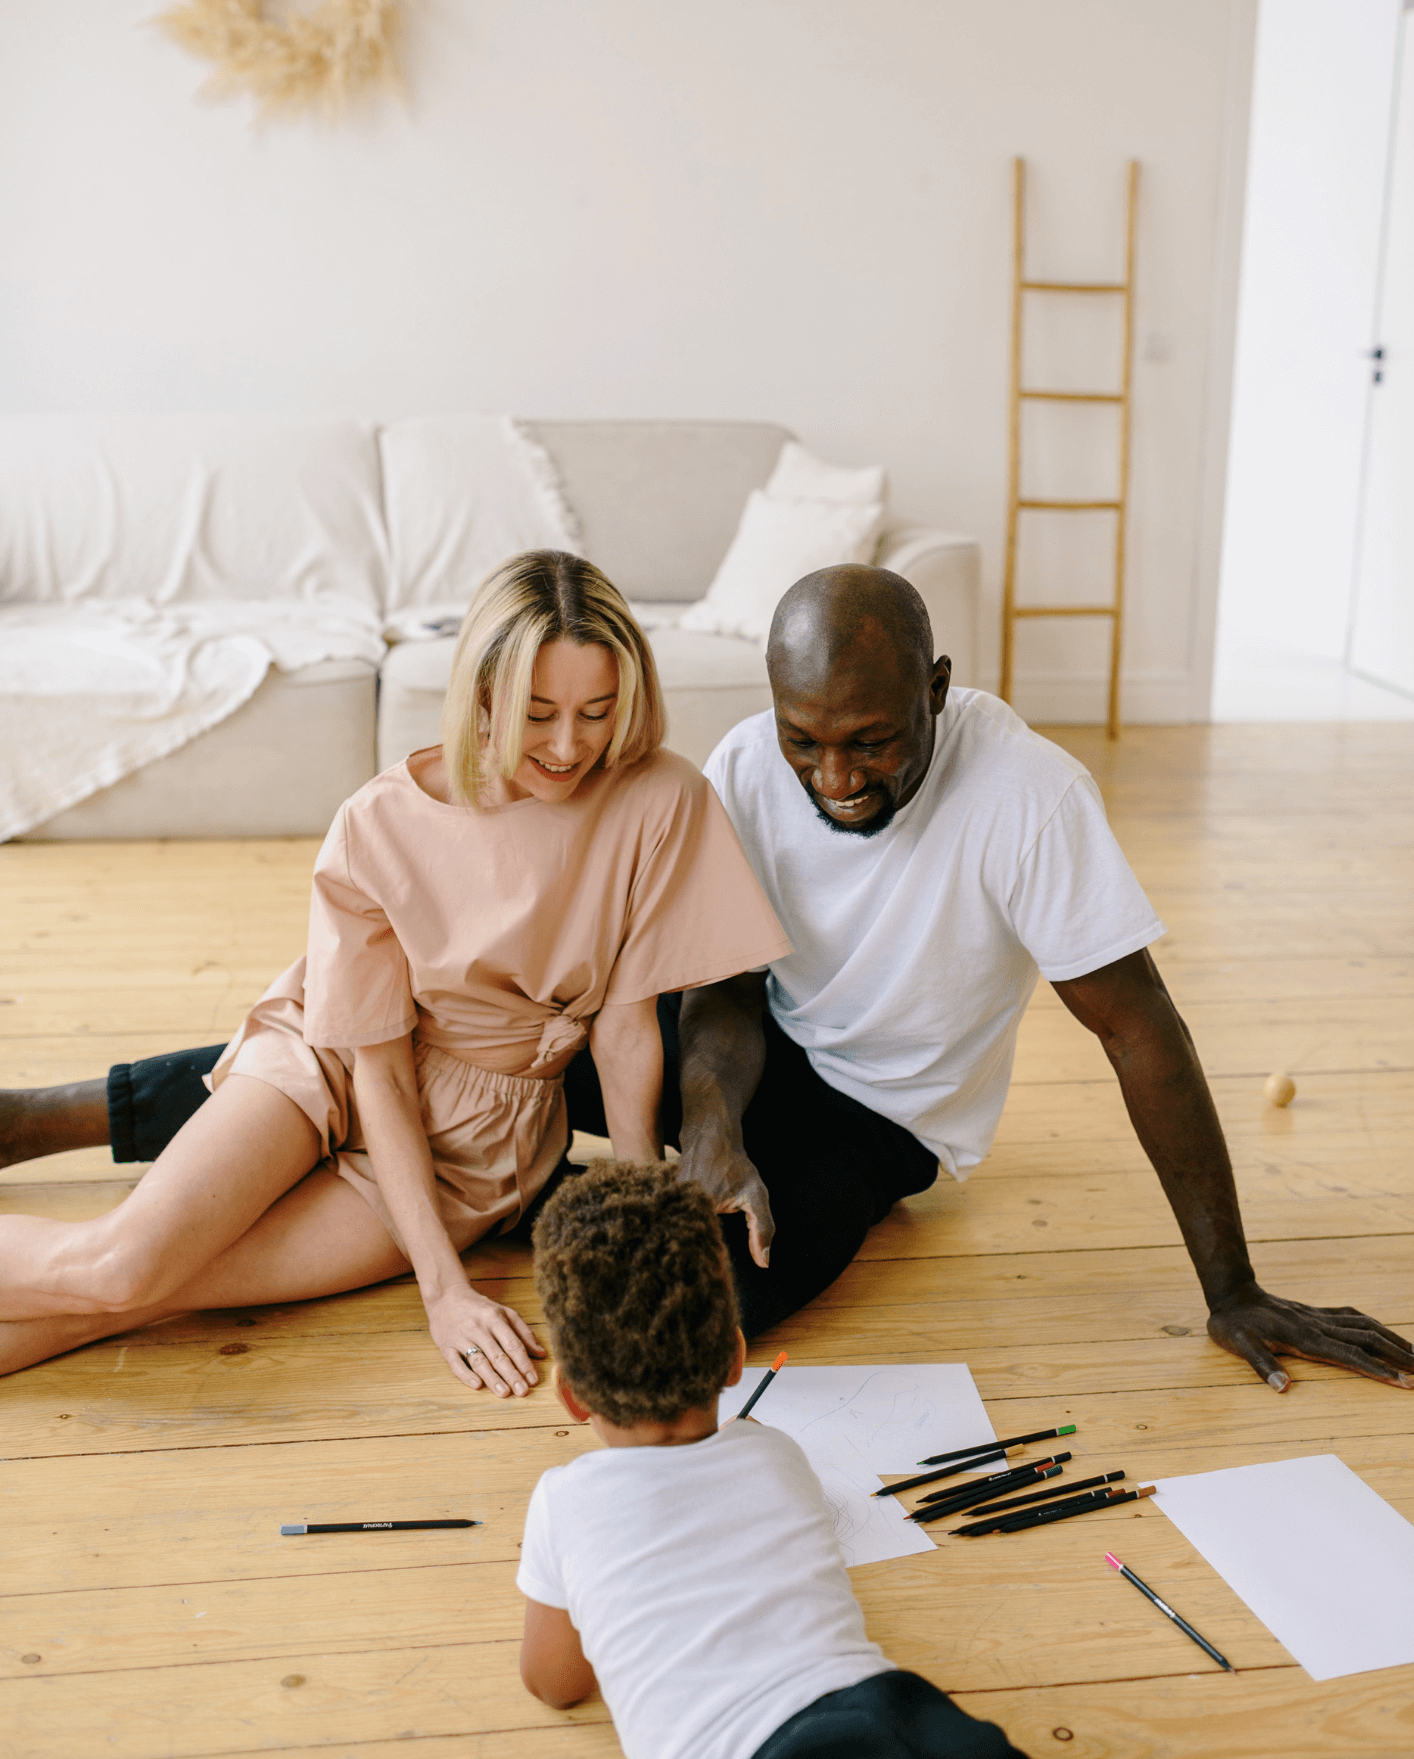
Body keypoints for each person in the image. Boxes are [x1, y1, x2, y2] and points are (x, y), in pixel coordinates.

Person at [0, 552, 788, 1384]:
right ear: (480, 693)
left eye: (596, 711)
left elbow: (626, 1033)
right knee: (121, 1267)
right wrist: (444, 1291)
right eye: (537, 712)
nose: (569, 746)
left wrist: (641, 1225)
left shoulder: (660, 797)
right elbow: (376, 1065)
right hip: (331, 1063)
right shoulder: (376, 822)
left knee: (161, 1293)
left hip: (482, 1145)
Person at [669, 565, 1414, 1388]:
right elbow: (727, 985)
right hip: (761, 1046)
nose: (836, 780)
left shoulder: (1028, 793)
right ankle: (614, 1169)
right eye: (804, 741)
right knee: (536, 1050)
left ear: (937, 689)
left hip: (881, 1115)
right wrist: (713, 1118)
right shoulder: (743, 762)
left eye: (871, 743)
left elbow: (1137, 1029)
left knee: (710, 1305)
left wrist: (1233, 1289)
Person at [518, 1158, 1024, 1759]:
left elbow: (556, 1684)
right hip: (895, 1718)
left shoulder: (563, 1501)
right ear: (735, 1358)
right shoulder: (776, 1455)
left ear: (572, 1395)